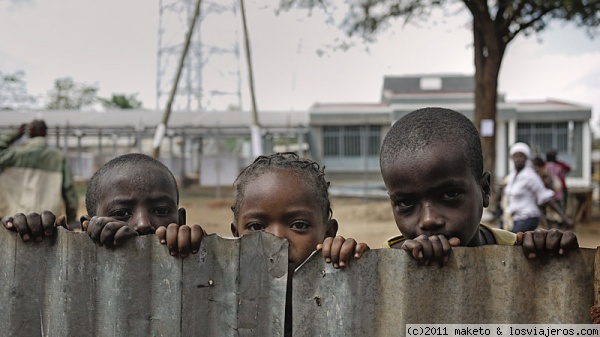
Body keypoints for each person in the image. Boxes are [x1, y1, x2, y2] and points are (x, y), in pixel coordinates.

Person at [159, 152, 369, 336]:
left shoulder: (345, 293)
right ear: (235, 235)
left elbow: (401, 328)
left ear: (328, 233)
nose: (276, 239)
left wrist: (359, 269)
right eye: (257, 227)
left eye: (298, 225)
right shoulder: (218, 294)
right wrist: (189, 260)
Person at [378, 107, 578, 265]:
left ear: (484, 190)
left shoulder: (517, 253)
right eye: (405, 203)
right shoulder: (384, 265)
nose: (429, 220)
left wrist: (552, 257)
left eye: (450, 195)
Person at [0, 120, 78, 226]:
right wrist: (71, 218)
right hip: (48, 222)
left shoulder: (13, 155)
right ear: (45, 133)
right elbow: (69, 190)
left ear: (29, 133)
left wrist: (15, 133)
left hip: (15, 221)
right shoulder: (58, 157)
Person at [504, 142, 574, 233]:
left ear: (526, 158)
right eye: (515, 156)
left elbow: (545, 197)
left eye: (521, 156)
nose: (518, 159)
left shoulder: (531, 176)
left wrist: (565, 219)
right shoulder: (512, 176)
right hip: (513, 218)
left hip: (527, 217)